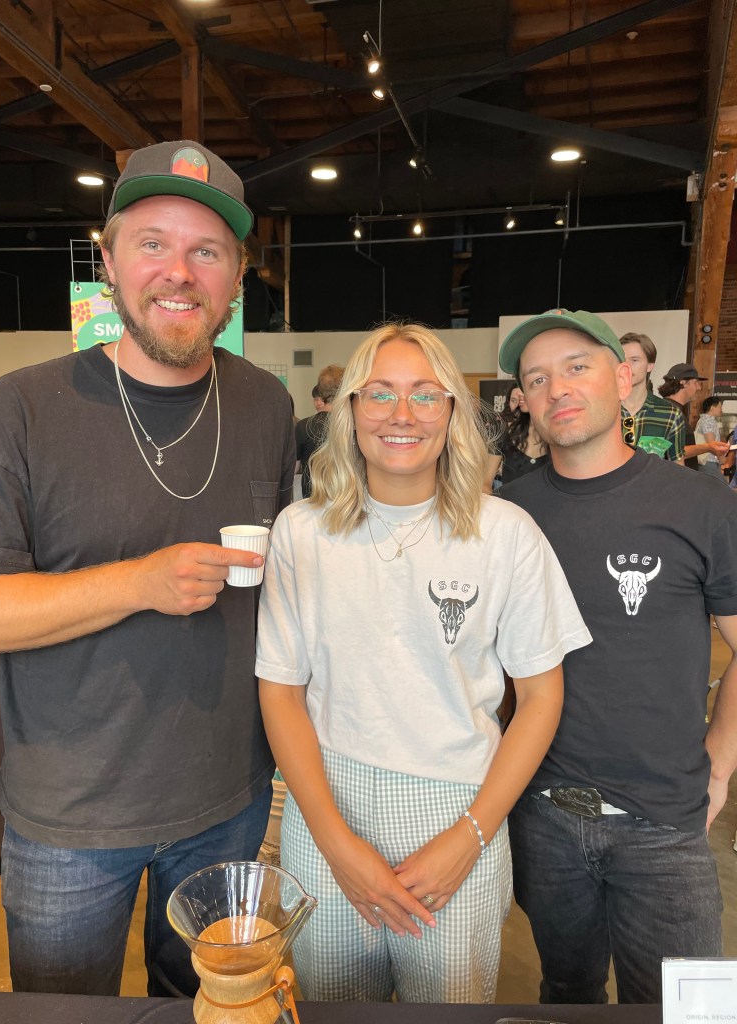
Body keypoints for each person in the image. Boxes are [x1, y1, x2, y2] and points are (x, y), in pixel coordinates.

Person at [0, 140, 296, 997]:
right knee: (62, 1013)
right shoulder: (21, 407)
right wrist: (139, 584)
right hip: (71, 816)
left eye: (207, 251)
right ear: (108, 261)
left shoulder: (266, 404)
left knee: (207, 1007)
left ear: (236, 278)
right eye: (153, 243)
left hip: (229, 802)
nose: (178, 272)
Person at [256, 323, 591, 1003]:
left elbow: (541, 699)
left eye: (424, 395)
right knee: (331, 1008)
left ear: (452, 411)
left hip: (459, 810)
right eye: (380, 393)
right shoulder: (301, 532)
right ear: (350, 410)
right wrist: (335, 843)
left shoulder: (505, 534)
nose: (402, 415)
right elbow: (281, 692)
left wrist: (471, 836)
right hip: (327, 804)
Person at [498, 308, 737, 1005]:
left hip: (665, 820)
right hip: (543, 811)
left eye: (577, 367)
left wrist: (721, 761)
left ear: (625, 377)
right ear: (525, 400)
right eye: (536, 379)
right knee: (567, 992)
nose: (557, 389)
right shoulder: (508, 514)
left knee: (682, 1010)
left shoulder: (699, 502)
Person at [619, 332, 685, 462]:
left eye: (634, 360)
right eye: (622, 360)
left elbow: (677, 466)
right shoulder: (603, 409)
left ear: (650, 365)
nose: (627, 366)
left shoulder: (670, 414)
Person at [658, 363, 728, 470]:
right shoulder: (668, 411)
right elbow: (670, 451)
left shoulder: (674, 409)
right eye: (696, 383)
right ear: (683, 383)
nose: (699, 388)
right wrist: (708, 447)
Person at [294, 364, 344, 497]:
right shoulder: (351, 426)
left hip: (312, 497)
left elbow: (293, 468)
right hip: (345, 498)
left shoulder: (303, 426)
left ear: (321, 391)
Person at [499, 384, 549, 484]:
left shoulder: (556, 434)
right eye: (513, 400)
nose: (519, 400)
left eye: (524, 392)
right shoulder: (503, 429)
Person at [694, 396, 727, 482]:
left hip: (708, 460)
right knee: (718, 486)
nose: (721, 410)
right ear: (712, 407)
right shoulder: (708, 421)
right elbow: (712, 443)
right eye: (720, 407)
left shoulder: (704, 420)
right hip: (708, 460)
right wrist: (722, 458)